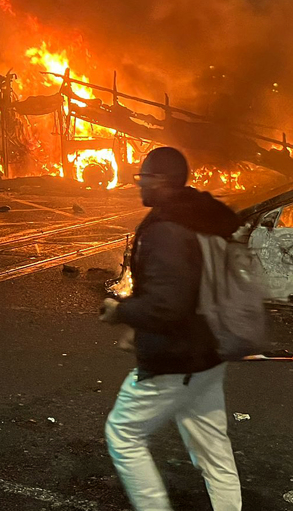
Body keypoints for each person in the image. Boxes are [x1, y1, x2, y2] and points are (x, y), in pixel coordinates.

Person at [101, 147, 242, 511]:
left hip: (176, 360)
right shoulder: (202, 217)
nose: (139, 185)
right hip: (210, 353)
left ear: (161, 180)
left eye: (143, 177)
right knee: (214, 452)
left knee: (123, 434)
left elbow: (168, 305)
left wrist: (121, 311)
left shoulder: (167, 230)